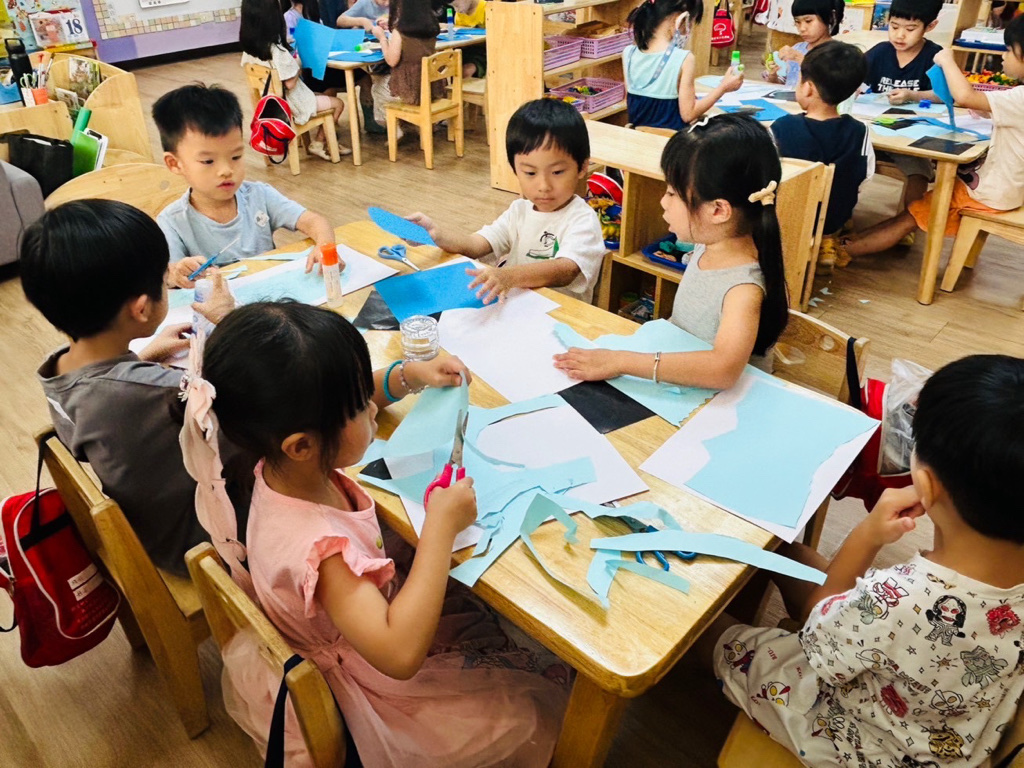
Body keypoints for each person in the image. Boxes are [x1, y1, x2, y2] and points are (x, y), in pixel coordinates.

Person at [182, 301, 570, 767]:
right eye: (358, 405)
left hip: (353, 626)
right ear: (302, 445)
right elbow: (400, 655)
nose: (371, 407)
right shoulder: (323, 551)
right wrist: (440, 528)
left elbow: (332, 403)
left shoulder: (279, 465)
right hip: (371, 686)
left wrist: (407, 375)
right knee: (529, 717)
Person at [711, 354, 1024, 768]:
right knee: (795, 560)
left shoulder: (900, 599)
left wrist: (867, 535)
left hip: (859, 741)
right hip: (945, 733)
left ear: (926, 484)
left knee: (716, 636)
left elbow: (815, 625)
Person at [21, 200, 241, 576]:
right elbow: (251, 399)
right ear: (141, 309)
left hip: (154, 527)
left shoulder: (57, 369)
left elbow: (111, 396)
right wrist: (229, 321)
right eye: (163, 279)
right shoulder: (158, 393)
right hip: (203, 542)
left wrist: (144, 357)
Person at [554, 114, 788, 387]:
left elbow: (723, 370)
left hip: (720, 401)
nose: (663, 202)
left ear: (718, 210)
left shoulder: (743, 289)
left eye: (672, 193)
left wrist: (620, 361)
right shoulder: (709, 244)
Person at [841, 21, 1024, 263]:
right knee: (918, 206)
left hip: (990, 192)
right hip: (1005, 187)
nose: (1003, 56)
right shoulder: (881, 52)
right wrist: (987, 109)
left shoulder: (1019, 97)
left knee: (913, 214)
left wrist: (948, 60)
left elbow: (965, 97)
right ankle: (853, 240)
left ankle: (846, 250)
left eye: (1009, 50)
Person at [407, 99, 606, 303]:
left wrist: (508, 276)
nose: (544, 185)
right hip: (516, 307)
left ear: (582, 167)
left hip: (561, 315)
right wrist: (437, 235)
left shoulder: (582, 219)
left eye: (557, 172)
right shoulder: (519, 211)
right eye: (530, 173)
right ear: (515, 170)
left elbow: (566, 270)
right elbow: (477, 244)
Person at [152, 84, 337, 289]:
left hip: (271, 296)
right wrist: (176, 274)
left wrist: (325, 247)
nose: (226, 170)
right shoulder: (172, 221)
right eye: (208, 161)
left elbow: (315, 221)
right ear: (175, 164)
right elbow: (168, 277)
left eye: (236, 157)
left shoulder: (259, 195)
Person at [770, 42, 875, 268]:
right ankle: (827, 239)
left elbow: (767, 176)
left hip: (788, 215)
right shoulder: (860, 131)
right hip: (834, 216)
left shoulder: (781, 127)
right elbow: (866, 176)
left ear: (808, 88)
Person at [240, 0, 350, 161]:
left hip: (269, 103)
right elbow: (290, 83)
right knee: (338, 104)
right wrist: (298, 61)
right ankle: (319, 142)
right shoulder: (277, 52)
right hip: (292, 104)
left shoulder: (248, 52)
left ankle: (328, 141)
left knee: (324, 94)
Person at [861, 0, 945, 210]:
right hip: (870, 130)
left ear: (930, 26)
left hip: (908, 137)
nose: (899, 35)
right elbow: (853, 75)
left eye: (910, 29)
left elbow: (944, 96)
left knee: (919, 171)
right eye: (894, 26)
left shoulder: (935, 56)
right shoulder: (880, 52)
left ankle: (909, 218)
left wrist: (912, 95)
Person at [623, 0, 737, 131]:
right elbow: (688, 115)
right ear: (681, 19)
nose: (689, 30)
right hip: (672, 141)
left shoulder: (628, 53)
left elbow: (632, 102)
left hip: (637, 137)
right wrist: (723, 87)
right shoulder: (684, 58)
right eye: (690, 23)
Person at [368, 0, 441, 132]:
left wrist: (382, 38)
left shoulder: (401, 32)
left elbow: (391, 61)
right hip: (429, 87)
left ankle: (396, 128)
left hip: (410, 90)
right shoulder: (431, 27)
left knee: (378, 87)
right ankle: (411, 125)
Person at [763, 0, 844, 87]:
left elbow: (830, 85)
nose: (802, 28)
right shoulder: (797, 48)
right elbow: (785, 83)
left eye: (808, 21)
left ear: (830, 17)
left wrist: (799, 58)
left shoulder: (838, 53)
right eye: (797, 22)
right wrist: (773, 75)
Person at [452, 0, 486, 79]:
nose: (457, 10)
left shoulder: (486, 9)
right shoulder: (460, 14)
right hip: (464, 51)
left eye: (457, 6)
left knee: (465, 71)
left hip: (483, 53)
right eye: (453, 7)